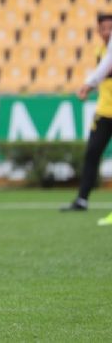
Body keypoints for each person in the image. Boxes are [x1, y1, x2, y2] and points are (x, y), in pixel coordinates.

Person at [63, 13, 112, 223]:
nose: (108, 32)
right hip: (105, 111)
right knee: (92, 153)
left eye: (111, 28)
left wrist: (87, 83)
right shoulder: (100, 50)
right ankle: (82, 199)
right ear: (98, 30)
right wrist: (90, 85)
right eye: (104, 28)